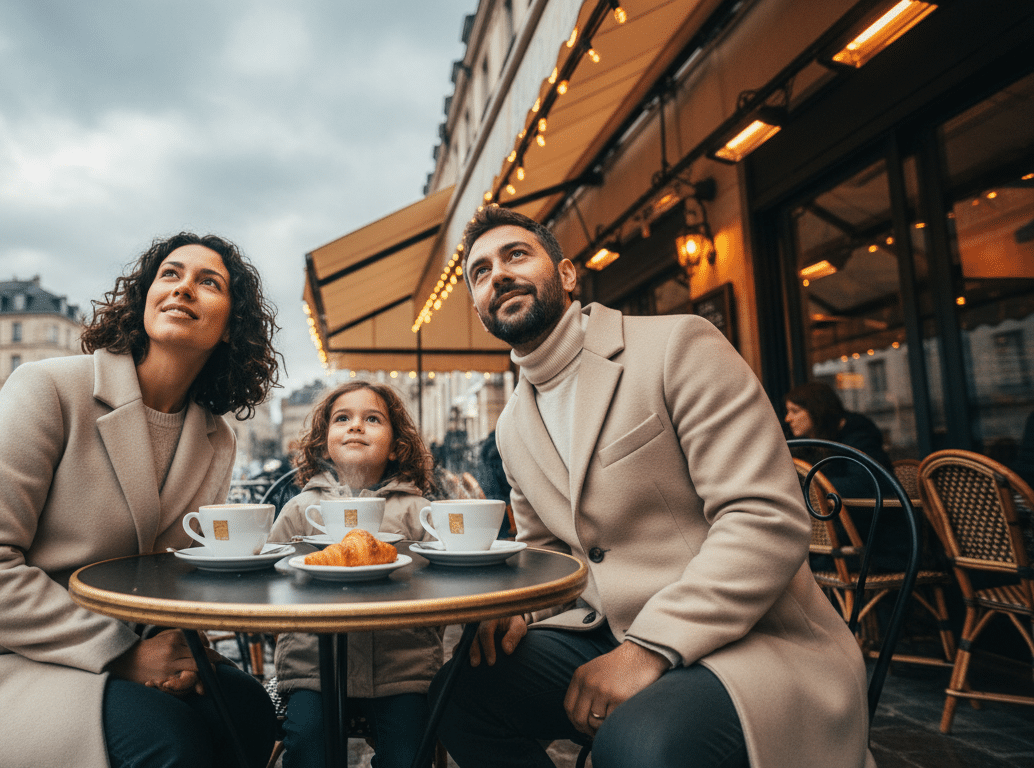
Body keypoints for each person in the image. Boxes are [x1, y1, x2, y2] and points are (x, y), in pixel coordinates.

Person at [434, 206, 873, 768]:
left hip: (748, 642)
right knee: (456, 693)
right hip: (605, 633)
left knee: (635, 744)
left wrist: (647, 648)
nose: (498, 274)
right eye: (480, 272)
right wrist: (519, 609)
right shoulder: (511, 426)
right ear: (478, 308)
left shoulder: (678, 344)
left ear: (566, 274)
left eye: (516, 254)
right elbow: (549, 554)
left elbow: (765, 517)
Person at [0, 233, 282, 768]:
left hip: (111, 659)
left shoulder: (215, 436)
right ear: (144, 298)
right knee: (171, 739)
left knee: (248, 711)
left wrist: (175, 646)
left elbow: (172, 574)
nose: (183, 288)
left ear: (232, 324)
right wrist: (124, 654)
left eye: (208, 282)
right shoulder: (48, 388)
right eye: (170, 274)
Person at [268, 381, 441, 768]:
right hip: (313, 671)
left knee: (410, 757)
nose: (356, 426)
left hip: (403, 669)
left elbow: (443, 585)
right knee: (308, 750)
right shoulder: (301, 509)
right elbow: (270, 581)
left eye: (373, 419)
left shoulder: (418, 512)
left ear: (397, 446)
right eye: (342, 418)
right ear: (323, 443)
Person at [784, 380, 892, 498]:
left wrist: (807, 486)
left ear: (817, 410)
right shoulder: (806, 445)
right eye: (788, 411)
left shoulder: (858, 437)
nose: (788, 418)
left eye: (795, 411)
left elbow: (864, 485)